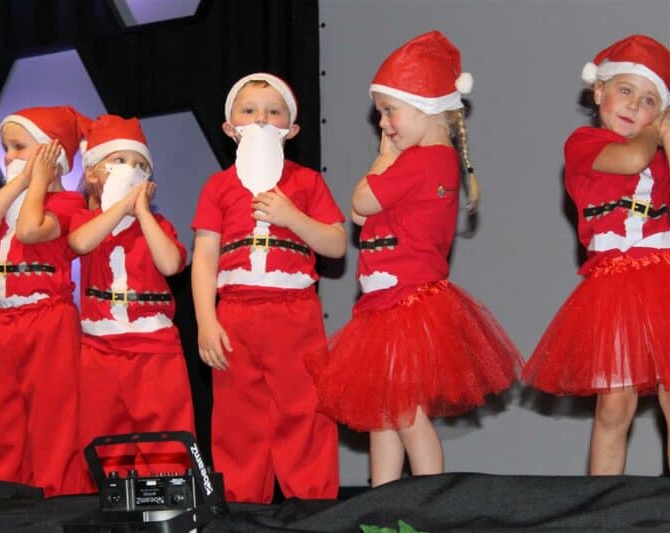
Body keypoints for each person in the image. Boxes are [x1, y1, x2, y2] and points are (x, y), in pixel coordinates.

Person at [306, 31, 522, 487]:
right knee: (385, 412)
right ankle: (384, 498)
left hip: (402, 304)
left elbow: (360, 202)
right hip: (389, 303)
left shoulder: (420, 161)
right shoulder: (436, 160)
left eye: (390, 111)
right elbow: (361, 218)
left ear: (426, 107)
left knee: (404, 413)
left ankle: (426, 497)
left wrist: (382, 158)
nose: (383, 124)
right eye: (380, 113)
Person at [191, 73, 344, 503]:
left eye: (273, 111)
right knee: (238, 416)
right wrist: (206, 321)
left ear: (290, 130)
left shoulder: (308, 182)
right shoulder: (218, 186)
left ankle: (312, 504)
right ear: (230, 128)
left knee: (305, 407)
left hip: (295, 312)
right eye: (249, 110)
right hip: (235, 315)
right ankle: (241, 505)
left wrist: (293, 217)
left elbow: (335, 244)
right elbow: (204, 257)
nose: (261, 118)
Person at [522, 34, 670, 474]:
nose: (634, 105)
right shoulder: (583, 143)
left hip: (663, 279)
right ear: (599, 91)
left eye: (649, 100)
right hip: (615, 286)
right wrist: (656, 130)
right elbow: (630, 160)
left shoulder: (660, 152)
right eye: (625, 90)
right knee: (615, 405)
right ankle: (605, 500)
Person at [68, 114, 195, 491]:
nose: (131, 170)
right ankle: (111, 501)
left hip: (156, 349)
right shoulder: (85, 220)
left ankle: (167, 500)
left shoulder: (159, 226)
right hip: (101, 349)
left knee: (164, 439)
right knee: (104, 436)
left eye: (141, 165)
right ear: (93, 173)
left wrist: (141, 213)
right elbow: (80, 243)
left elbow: (170, 264)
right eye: (120, 161)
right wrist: (119, 208)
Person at [0, 106, 89, 496]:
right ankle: (3, 486)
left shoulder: (68, 202)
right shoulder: (9, 206)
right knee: (4, 408)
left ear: (52, 153)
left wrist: (36, 182)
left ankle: (57, 490)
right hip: (6, 321)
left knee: (52, 409)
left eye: (19, 147)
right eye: (5, 148)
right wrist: (21, 181)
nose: (8, 156)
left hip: (47, 318)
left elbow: (31, 231)